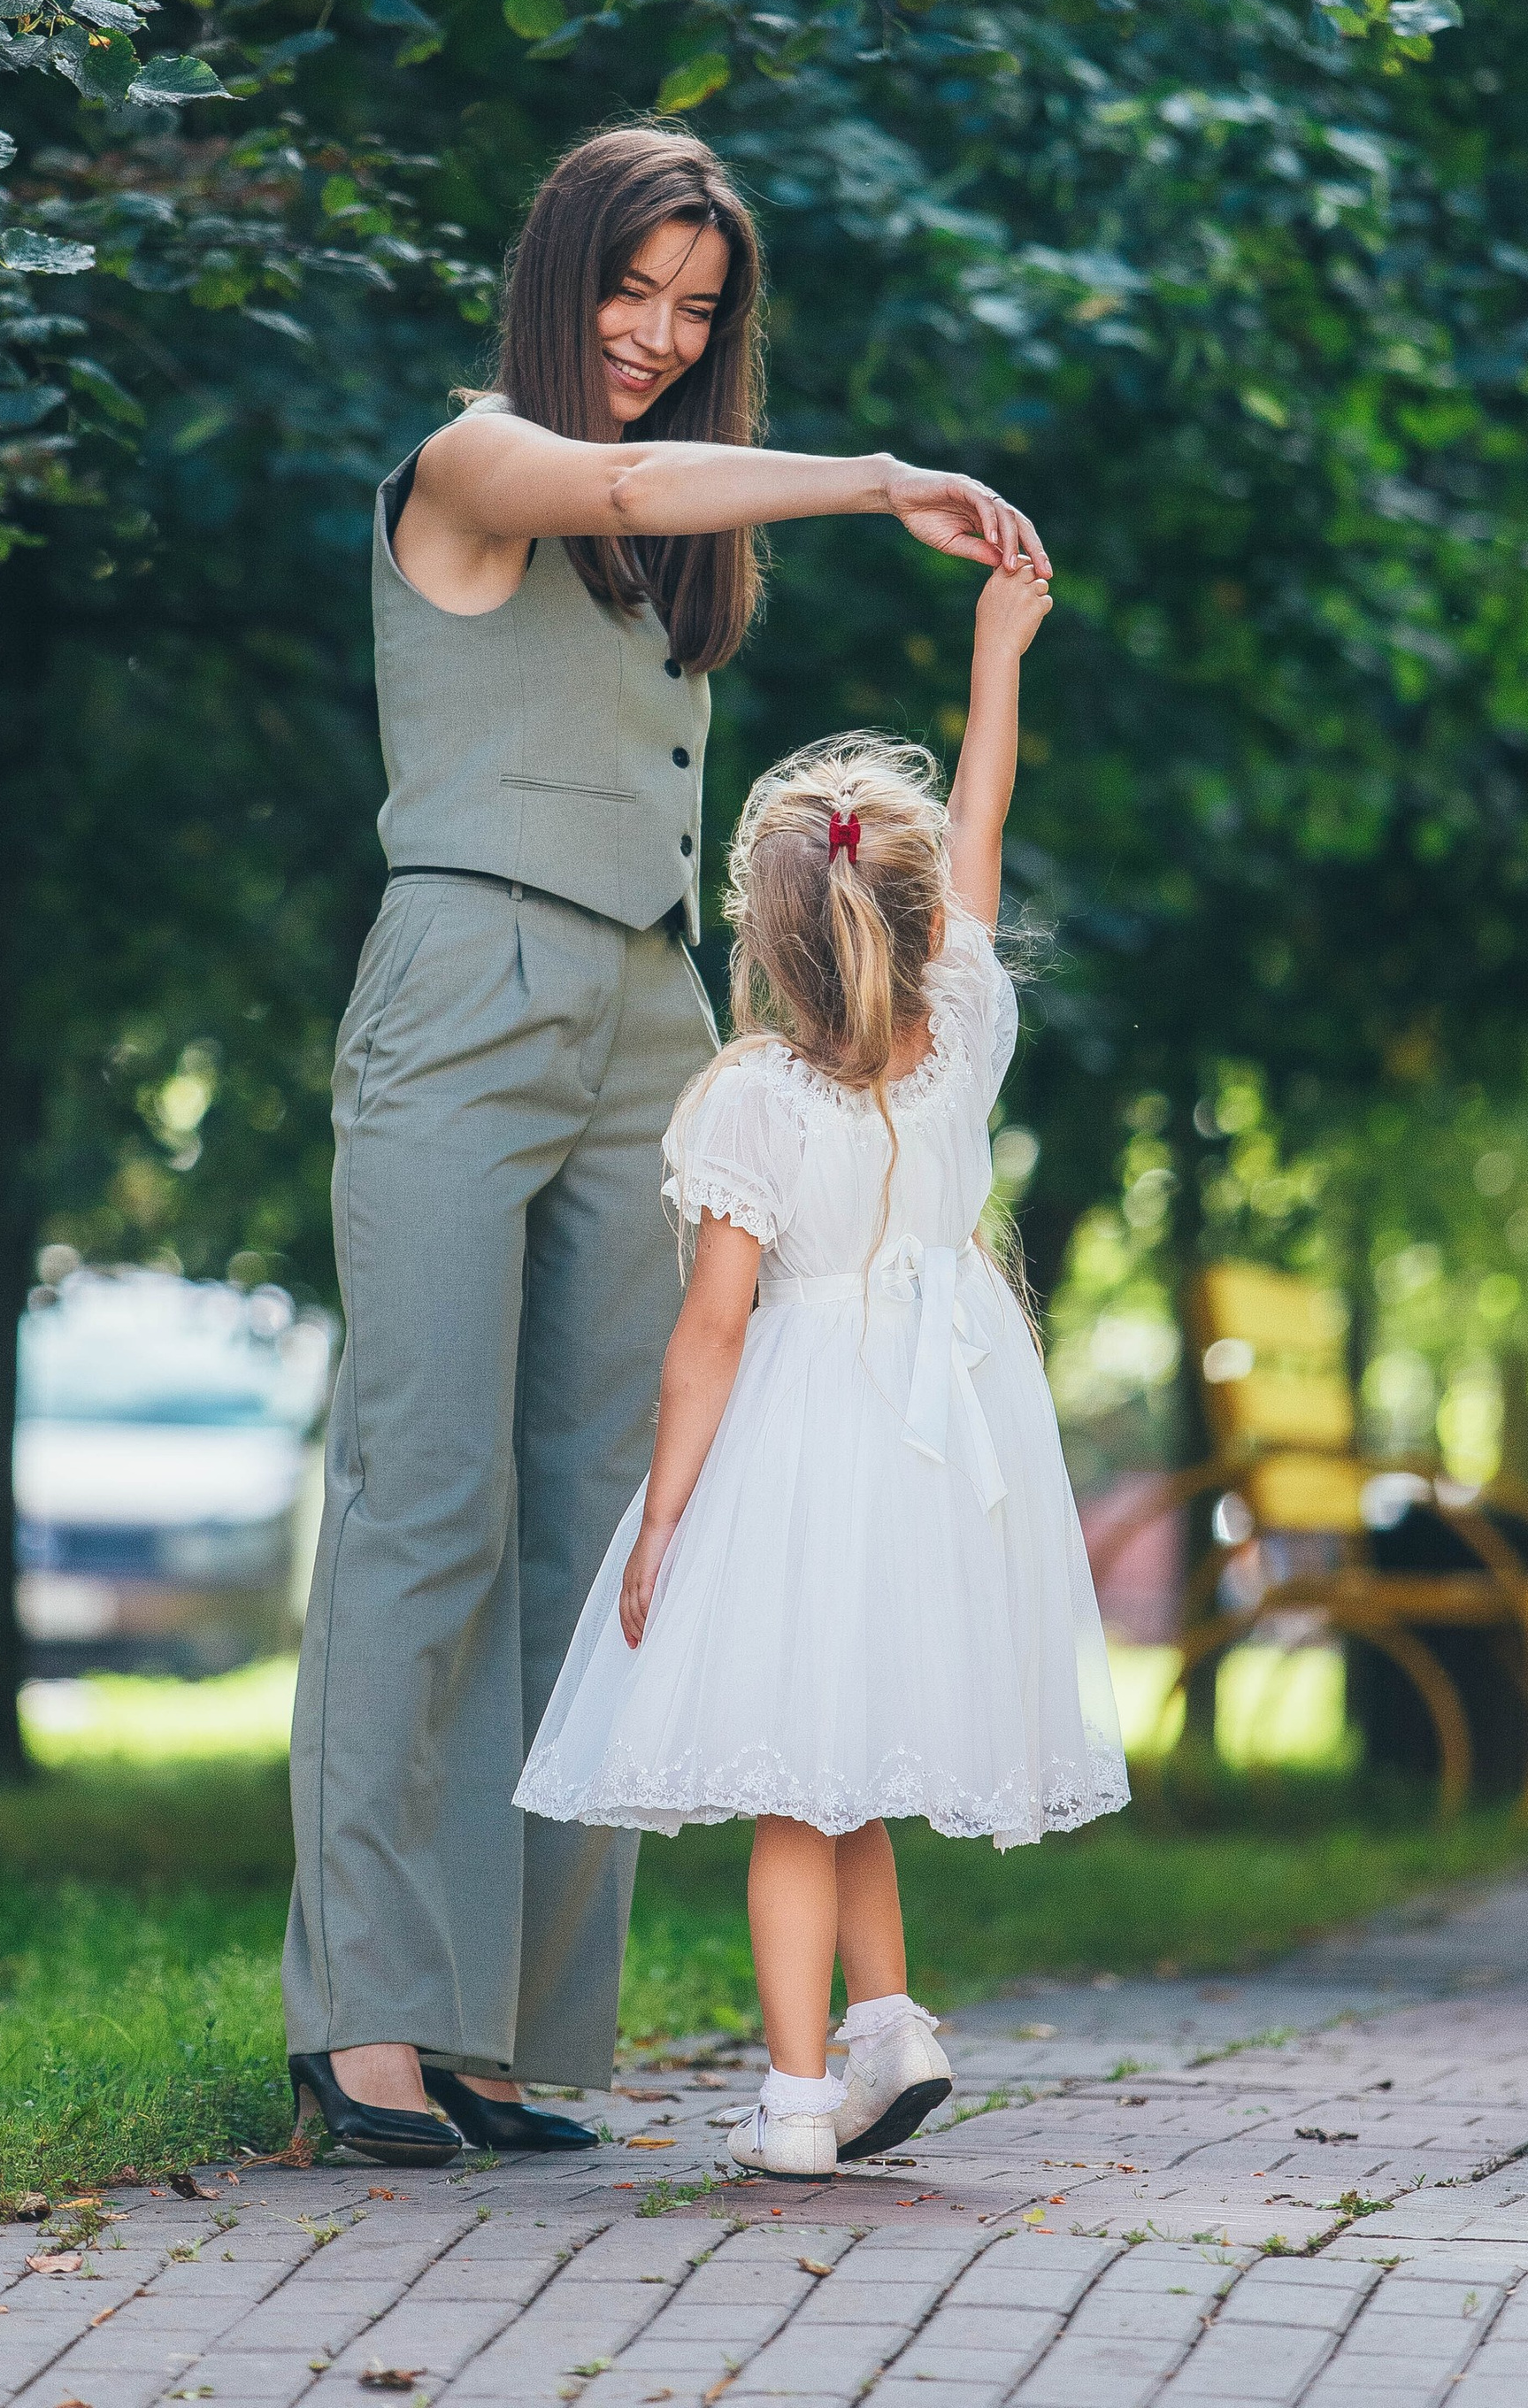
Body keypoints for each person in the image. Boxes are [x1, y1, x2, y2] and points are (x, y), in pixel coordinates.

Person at [284, 120, 1054, 2167]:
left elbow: (655, 502)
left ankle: (517, 2034)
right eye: (627, 292)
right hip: (459, 976)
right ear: (558, 278)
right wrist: (886, 476)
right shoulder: (472, 466)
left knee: (612, 1513)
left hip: (646, 1006)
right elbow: (606, 471)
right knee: (422, 1493)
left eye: (693, 309)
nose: (652, 336)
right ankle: (372, 2017)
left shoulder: (666, 556)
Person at [517, 562, 1130, 2179]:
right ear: (923, 915)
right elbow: (983, 811)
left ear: (766, 941)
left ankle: (794, 2105)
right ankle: (891, 2026)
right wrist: (1001, 649)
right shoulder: (968, 1033)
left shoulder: (751, 1102)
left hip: (808, 1437)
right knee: (848, 1743)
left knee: (794, 1774)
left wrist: (661, 1523)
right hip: (947, 1435)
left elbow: (710, 1334)